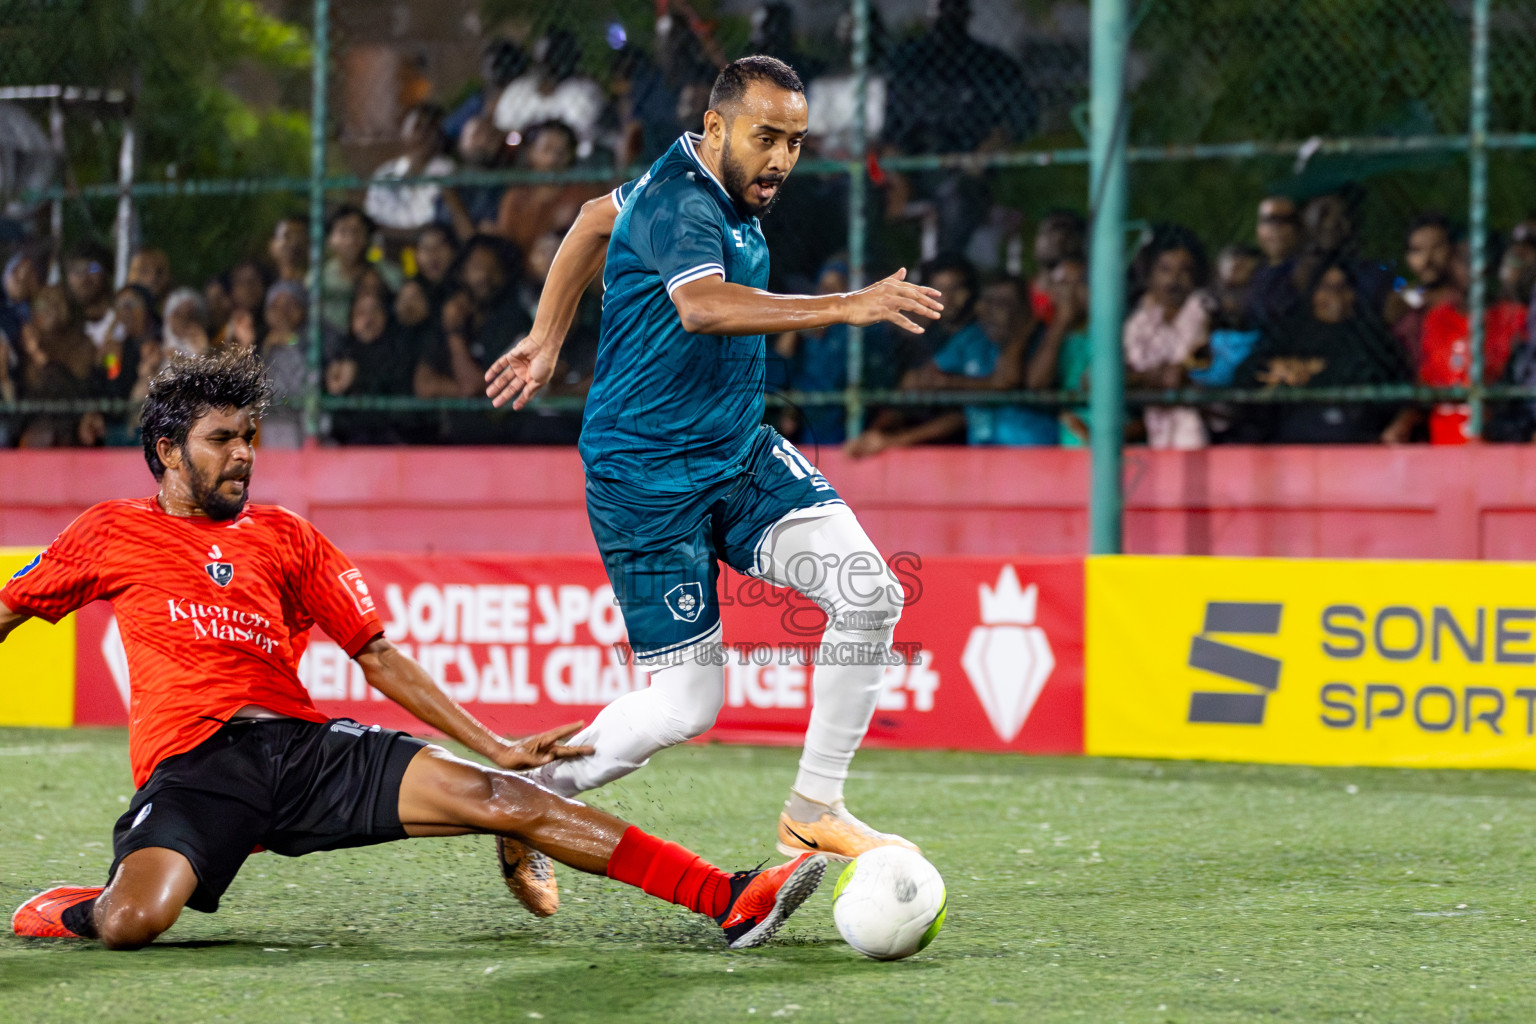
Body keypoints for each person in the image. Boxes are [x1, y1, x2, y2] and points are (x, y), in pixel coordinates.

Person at [4, 351, 827, 949]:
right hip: (191, 768)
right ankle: (80, 907)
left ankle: (728, 896)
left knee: (508, 799)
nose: (245, 454)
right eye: (222, 439)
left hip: (303, 751)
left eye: (251, 436)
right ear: (165, 452)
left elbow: (379, 653)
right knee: (133, 924)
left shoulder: (287, 536)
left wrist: (496, 746)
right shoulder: (110, 532)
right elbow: (11, 607)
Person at [482, 56, 940, 913]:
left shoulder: (690, 179)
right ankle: (526, 802)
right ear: (717, 124)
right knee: (688, 703)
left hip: (735, 453)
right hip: (643, 477)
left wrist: (547, 337)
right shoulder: (683, 201)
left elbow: (587, 219)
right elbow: (704, 306)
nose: (781, 160)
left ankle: (814, 811)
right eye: (767, 137)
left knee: (870, 593)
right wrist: (844, 305)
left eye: (797, 143)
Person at [1234, 262, 1414, 444]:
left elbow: (1400, 386)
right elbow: (1245, 377)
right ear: (1311, 293)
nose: (1334, 295)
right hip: (1288, 450)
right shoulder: (1288, 334)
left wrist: (1317, 369)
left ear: (1355, 295)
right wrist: (1275, 368)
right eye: (1325, 287)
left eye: (1343, 287)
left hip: (1360, 450)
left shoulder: (1373, 337)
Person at [897, 274, 1055, 449]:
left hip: (1035, 453)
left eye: (1004, 303)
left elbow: (1008, 380)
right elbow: (914, 381)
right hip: (981, 457)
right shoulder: (972, 338)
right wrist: (965, 384)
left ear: (1025, 309)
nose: (992, 310)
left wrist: (1023, 334)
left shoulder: (1043, 340)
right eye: (988, 301)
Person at [1123, 227, 1212, 449]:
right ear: (1149, 275)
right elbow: (1128, 371)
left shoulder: (1204, 311)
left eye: (1184, 271)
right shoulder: (1138, 323)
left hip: (1203, 434)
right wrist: (1149, 378)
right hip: (1151, 437)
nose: (1174, 279)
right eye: (1165, 269)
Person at [492, 30, 607, 160]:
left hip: (572, 161)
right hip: (523, 161)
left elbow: (580, 142)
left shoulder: (583, 92)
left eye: (556, 60)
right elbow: (503, 131)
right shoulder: (519, 90)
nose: (549, 68)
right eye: (544, 61)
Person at [364, 104, 456, 235]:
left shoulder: (448, 171)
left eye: (430, 128)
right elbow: (372, 219)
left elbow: (439, 225)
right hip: (387, 245)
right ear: (403, 131)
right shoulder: (385, 173)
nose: (423, 134)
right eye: (417, 127)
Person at [1255, 196, 1301, 268]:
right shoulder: (1253, 271)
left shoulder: (1307, 269)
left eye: (1285, 220)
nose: (1276, 227)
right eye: (1269, 220)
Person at [269, 214, 310, 286]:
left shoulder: (316, 285)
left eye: (299, 237)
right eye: (287, 236)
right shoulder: (260, 284)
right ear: (272, 244)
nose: (293, 243)